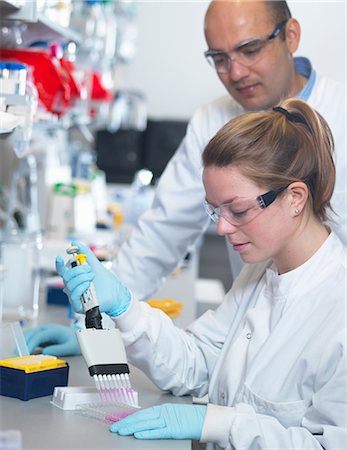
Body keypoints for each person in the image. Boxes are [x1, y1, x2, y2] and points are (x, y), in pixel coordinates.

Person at [24, 0, 346, 356]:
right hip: (256, 319)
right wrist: (96, 320)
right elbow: (163, 230)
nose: (235, 72)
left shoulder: (341, 113)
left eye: (250, 50)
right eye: (219, 59)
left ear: (291, 35)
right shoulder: (212, 120)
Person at [52, 99, 347, 448]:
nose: (222, 227)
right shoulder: (260, 273)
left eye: (237, 210)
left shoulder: (337, 311)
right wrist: (124, 307)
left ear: (295, 197)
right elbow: (198, 363)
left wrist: (224, 425)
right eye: (215, 210)